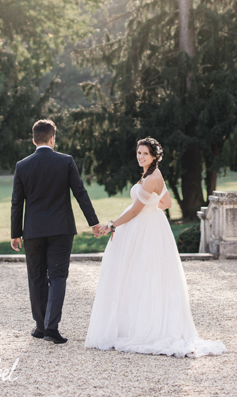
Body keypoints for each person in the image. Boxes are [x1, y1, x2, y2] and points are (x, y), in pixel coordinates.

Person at [85, 137, 226, 358]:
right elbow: (167, 203)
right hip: (151, 225)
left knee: (143, 274)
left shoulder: (151, 178)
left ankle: (142, 327)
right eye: (138, 153)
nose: (140, 156)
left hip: (145, 230)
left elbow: (133, 211)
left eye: (145, 154)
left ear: (154, 156)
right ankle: (133, 322)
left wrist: (111, 225)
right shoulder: (153, 175)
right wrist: (151, 207)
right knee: (143, 274)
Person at [11, 119, 101, 345]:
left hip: (32, 231)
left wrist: (15, 233)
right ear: (53, 139)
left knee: (36, 278)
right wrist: (93, 222)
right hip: (61, 230)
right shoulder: (66, 161)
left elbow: (16, 203)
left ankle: (40, 327)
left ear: (33, 140)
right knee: (58, 277)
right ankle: (52, 327)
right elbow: (80, 192)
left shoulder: (22, 166)